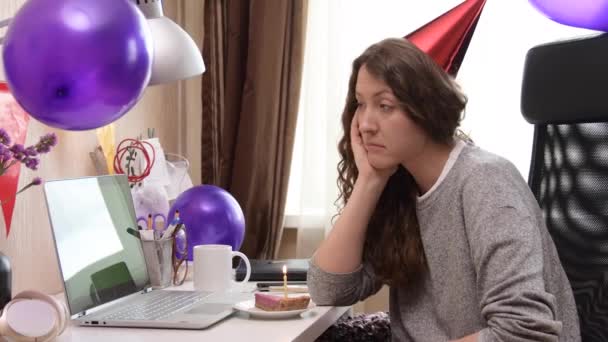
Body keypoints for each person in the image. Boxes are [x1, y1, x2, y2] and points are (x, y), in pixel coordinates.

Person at [307, 38, 580, 341]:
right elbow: (329, 290)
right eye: (361, 104)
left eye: (384, 106)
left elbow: (523, 333)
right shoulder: (400, 189)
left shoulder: (486, 182)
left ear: (426, 107)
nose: (366, 124)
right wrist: (369, 182)